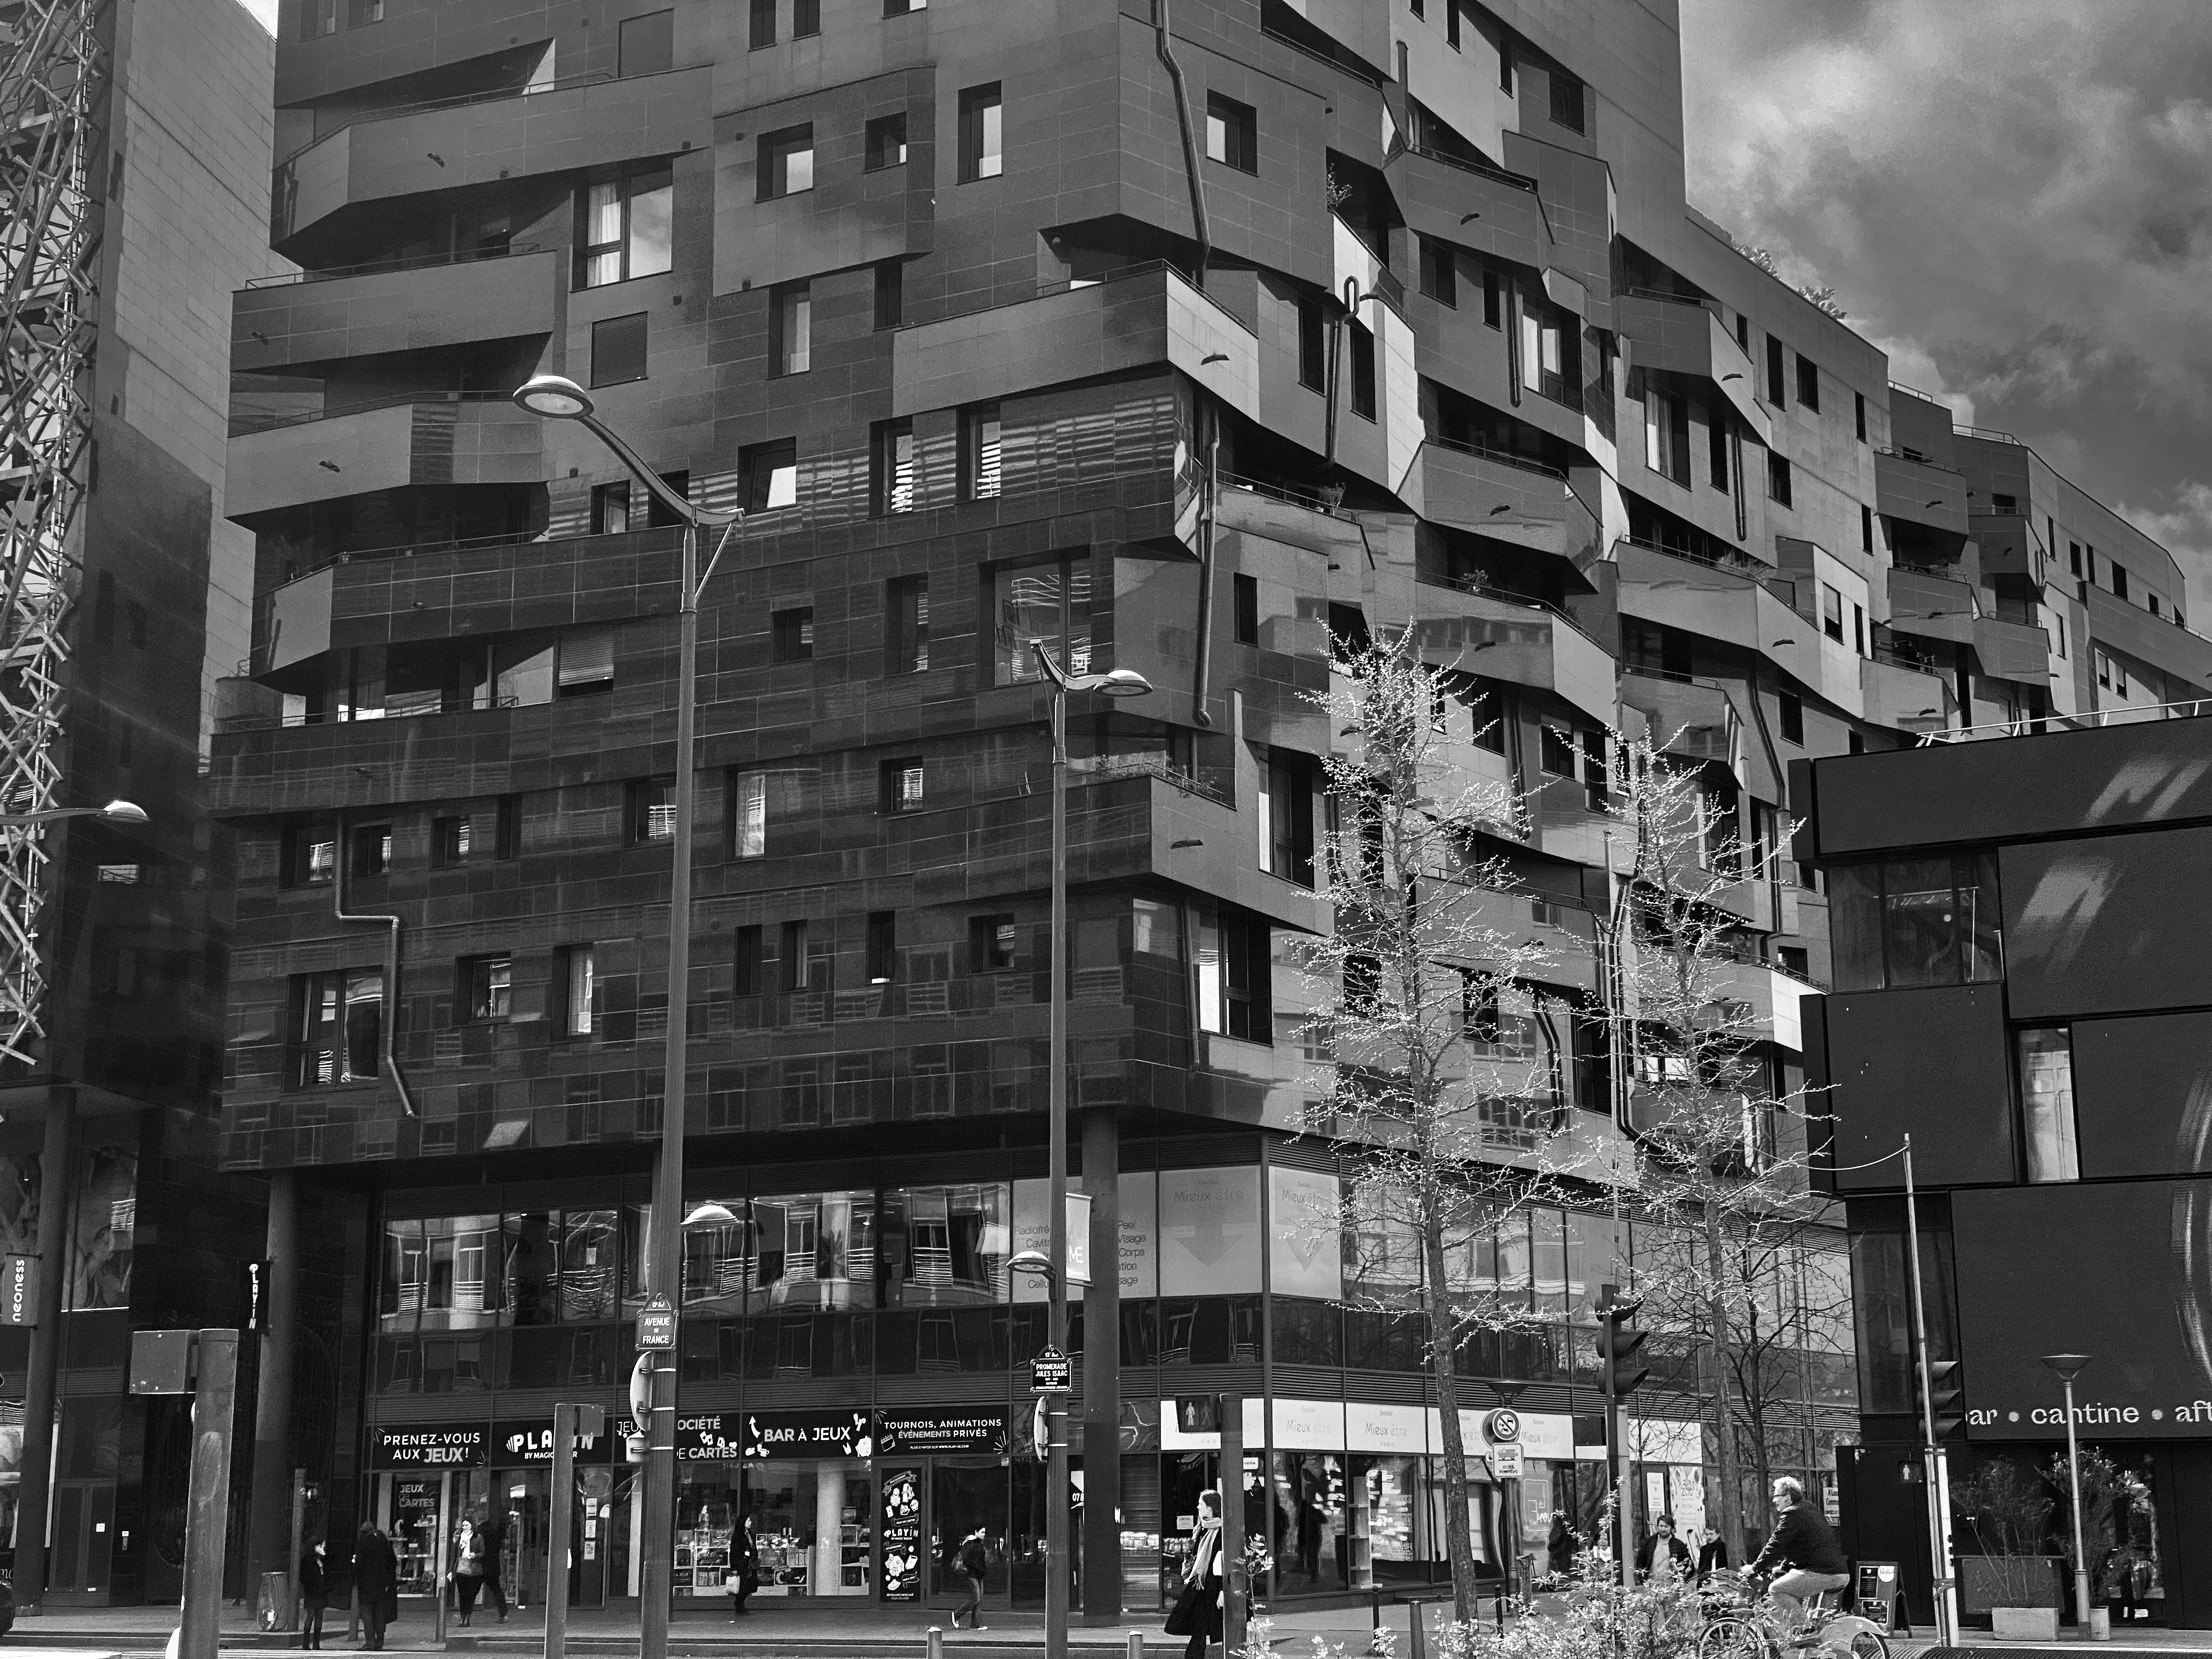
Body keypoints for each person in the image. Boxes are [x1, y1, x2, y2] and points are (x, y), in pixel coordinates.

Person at [1749, 1477, 1850, 1637]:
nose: (1774, 1500)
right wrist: (1783, 1567)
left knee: (1776, 1589)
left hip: (1823, 1573)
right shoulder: (1808, 1509)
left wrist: (1755, 1568)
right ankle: (1815, 1646)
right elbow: (1802, 1544)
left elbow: (1776, 1544)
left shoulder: (1792, 1512)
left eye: (1776, 1496)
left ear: (1787, 1497)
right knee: (1815, 1621)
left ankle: (1804, 1631)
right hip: (1838, 1573)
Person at [1172, 1492, 1226, 1659]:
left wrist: (1223, 1591)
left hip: (1216, 1591)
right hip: (1201, 1589)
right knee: (1199, 1632)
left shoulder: (1223, 1531)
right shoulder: (1201, 1529)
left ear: (1211, 1508)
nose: (1198, 1507)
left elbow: (1224, 1564)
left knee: (1219, 1634)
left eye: (1201, 1504)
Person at [353, 1522, 398, 1653]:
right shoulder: (382, 1543)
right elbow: (393, 1562)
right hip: (381, 1584)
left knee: (367, 1614)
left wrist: (354, 1571)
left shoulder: (361, 1544)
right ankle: (380, 1641)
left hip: (366, 1584)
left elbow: (357, 1563)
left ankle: (370, 1642)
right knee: (379, 1613)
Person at [951, 1527, 989, 1630]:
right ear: (976, 1532)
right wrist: (979, 1568)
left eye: (985, 1532)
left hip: (979, 1574)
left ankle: (975, 1624)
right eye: (982, 1532)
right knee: (976, 1599)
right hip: (972, 1574)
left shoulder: (979, 1543)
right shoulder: (970, 1543)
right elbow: (967, 1560)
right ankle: (957, 1614)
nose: (984, 1534)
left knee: (979, 1600)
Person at [1637, 1515, 1691, 1585]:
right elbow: (1640, 1562)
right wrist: (1644, 1580)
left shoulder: (1678, 1545)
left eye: (1666, 1526)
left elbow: (1689, 1565)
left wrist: (1681, 1582)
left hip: (1671, 1585)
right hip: (1652, 1584)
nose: (1663, 1529)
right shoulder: (1649, 1542)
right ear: (1658, 1526)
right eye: (1661, 1526)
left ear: (1671, 1528)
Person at [479, 1506, 511, 1623]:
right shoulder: (496, 1539)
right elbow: (500, 1554)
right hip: (494, 1566)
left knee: (471, 1590)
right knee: (497, 1591)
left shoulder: (481, 1539)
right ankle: (504, 1614)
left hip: (481, 1566)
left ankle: (465, 1615)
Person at [453, 1514, 486, 1626]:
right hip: (461, 1567)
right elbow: (454, 1555)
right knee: (462, 1594)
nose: (464, 1527)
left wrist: (474, 1555)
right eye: (463, 1525)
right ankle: (462, 1617)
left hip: (473, 1569)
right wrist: (451, 1570)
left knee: (470, 1595)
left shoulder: (478, 1537)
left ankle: (467, 1617)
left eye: (467, 1525)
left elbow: (483, 1553)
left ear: (472, 1526)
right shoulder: (459, 1538)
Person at [298, 1540, 329, 1651]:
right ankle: (306, 1643)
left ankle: (316, 1643)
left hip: (320, 1592)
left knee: (318, 1617)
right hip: (312, 1592)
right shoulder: (308, 1560)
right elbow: (304, 1577)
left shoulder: (322, 1560)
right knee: (311, 1616)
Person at [729, 1516, 760, 1618]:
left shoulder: (750, 1534)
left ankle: (739, 1602)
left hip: (750, 1564)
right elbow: (734, 1552)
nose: (750, 1523)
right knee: (743, 1585)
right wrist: (734, 1567)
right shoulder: (738, 1536)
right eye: (748, 1521)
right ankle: (739, 1605)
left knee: (752, 1584)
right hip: (742, 1564)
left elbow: (752, 1547)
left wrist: (755, 1556)